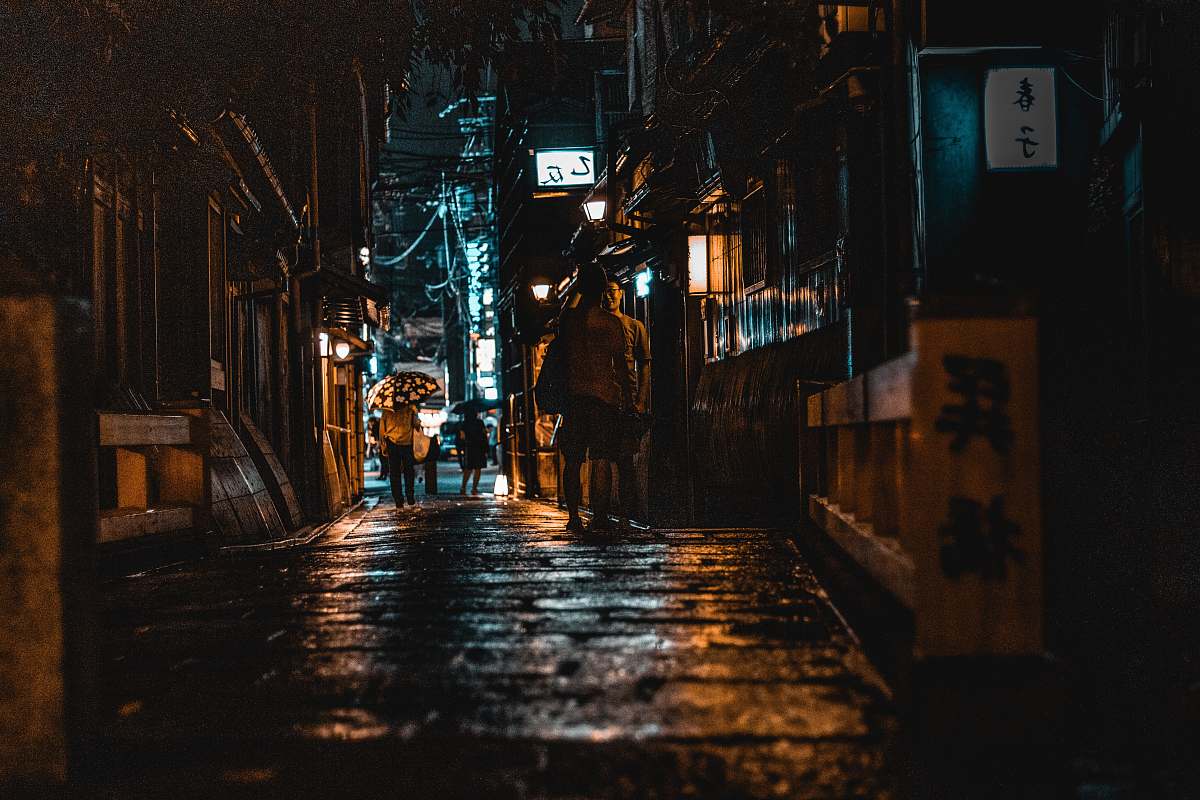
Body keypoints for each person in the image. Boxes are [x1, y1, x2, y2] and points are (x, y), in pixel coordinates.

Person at [557, 267, 632, 533]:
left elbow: (560, 358)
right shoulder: (611, 323)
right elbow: (621, 366)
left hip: (575, 398)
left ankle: (574, 516)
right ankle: (599, 516)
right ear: (602, 290)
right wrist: (629, 399)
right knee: (601, 457)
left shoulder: (569, 322)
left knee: (573, 459)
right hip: (604, 398)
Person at [601, 280, 651, 528]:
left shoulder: (634, 326)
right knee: (602, 458)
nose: (609, 296)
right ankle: (603, 512)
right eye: (605, 292)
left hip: (627, 403)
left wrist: (641, 399)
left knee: (625, 461)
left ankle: (624, 513)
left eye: (613, 291)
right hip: (602, 401)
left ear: (621, 294)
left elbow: (645, 363)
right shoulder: (594, 327)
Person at [380, 402, 420, 508]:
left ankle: (398, 501)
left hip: (391, 442)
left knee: (394, 472)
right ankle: (410, 498)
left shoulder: (387, 408)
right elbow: (417, 425)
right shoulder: (410, 407)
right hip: (407, 443)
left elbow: (382, 429)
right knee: (409, 471)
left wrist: (383, 445)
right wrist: (415, 413)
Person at [458, 410, 489, 494]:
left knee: (468, 469)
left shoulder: (464, 423)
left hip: (469, 447)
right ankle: (474, 488)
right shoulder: (480, 422)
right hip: (479, 447)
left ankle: (463, 487)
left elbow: (462, 436)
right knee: (478, 468)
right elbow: (485, 433)